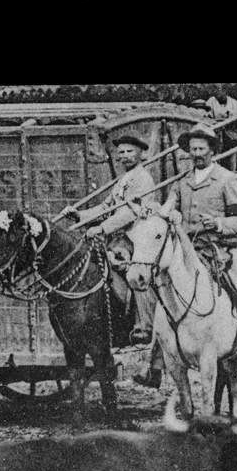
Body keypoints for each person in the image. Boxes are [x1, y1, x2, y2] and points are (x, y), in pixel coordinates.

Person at [160, 124, 237, 381]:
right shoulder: (181, 182)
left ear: (212, 150)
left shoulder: (227, 179)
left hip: (222, 250)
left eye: (202, 148)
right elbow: (169, 207)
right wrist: (166, 213)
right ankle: (154, 359)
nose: (197, 154)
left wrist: (218, 224)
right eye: (192, 149)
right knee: (162, 286)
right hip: (189, 251)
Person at [67, 134, 160, 346]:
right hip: (117, 238)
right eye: (122, 153)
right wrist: (80, 216)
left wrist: (101, 227)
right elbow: (106, 207)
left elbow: (129, 213)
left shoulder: (143, 179)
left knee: (136, 275)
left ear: (140, 153)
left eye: (130, 151)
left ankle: (144, 326)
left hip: (136, 238)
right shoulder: (123, 180)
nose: (125, 156)